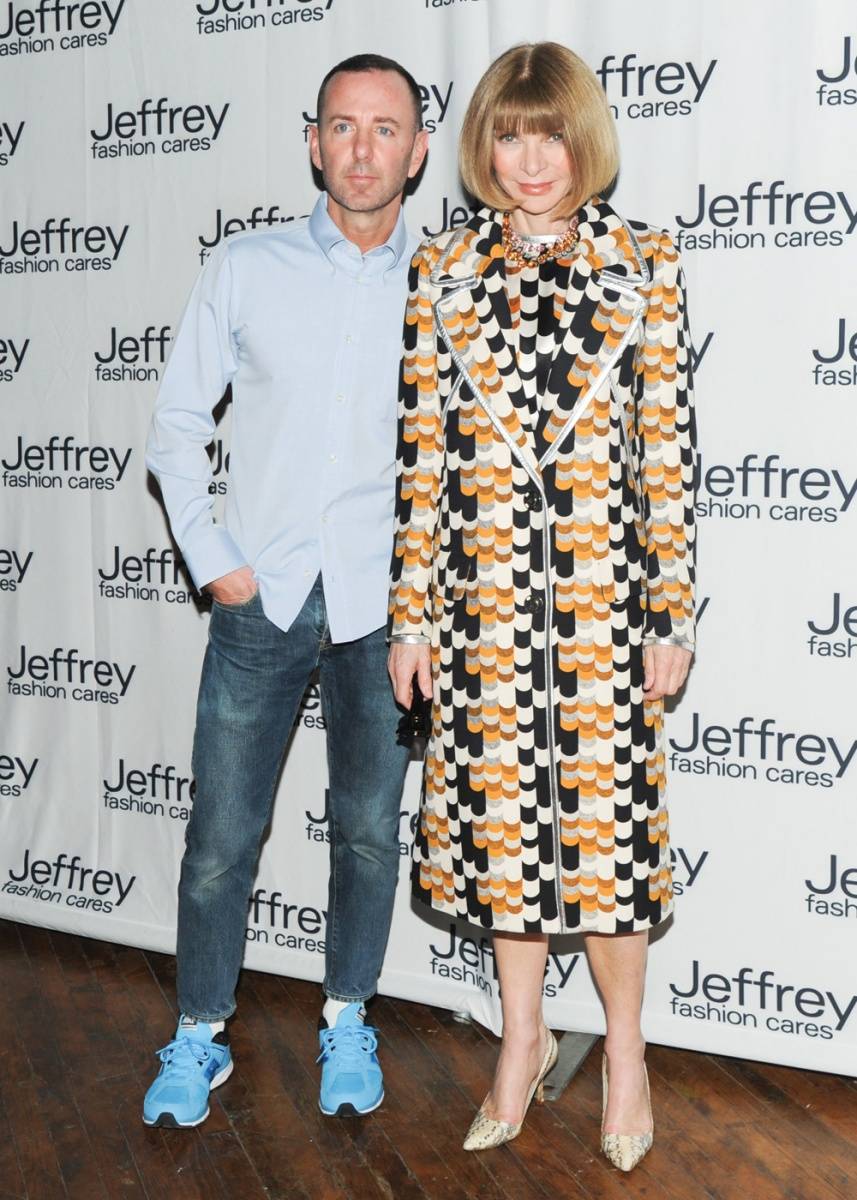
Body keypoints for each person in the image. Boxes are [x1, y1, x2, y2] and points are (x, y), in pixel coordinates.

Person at [388, 41, 696, 1171]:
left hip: (603, 603)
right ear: (483, 145)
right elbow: (421, 456)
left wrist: (669, 610)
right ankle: (519, 1043)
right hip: (481, 602)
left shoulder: (645, 262)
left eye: (551, 135)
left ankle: (625, 1053)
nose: (530, 160)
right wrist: (412, 617)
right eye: (511, 135)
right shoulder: (440, 269)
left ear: (582, 141)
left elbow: (663, 452)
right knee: (505, 839)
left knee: (608, 847)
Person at [144, 53, 428, 1128]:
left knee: (367, 833)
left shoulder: (446, 285)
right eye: (342, 125)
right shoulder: (245, 265)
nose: (362, 148)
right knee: (221, 838)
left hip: (386, 613)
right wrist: (213, 555)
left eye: (385, 128)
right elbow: (177, 423)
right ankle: (197, 1034)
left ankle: (347, 1016)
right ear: (313, 141)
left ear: (415, 151)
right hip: (259, 602)